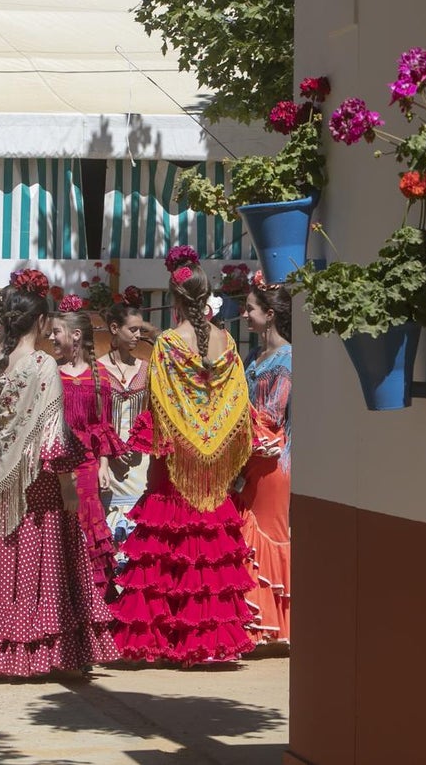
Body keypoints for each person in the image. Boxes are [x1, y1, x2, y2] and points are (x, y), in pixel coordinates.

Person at [0, 270, 118, 678]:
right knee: (45, 570)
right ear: (39, 322)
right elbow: (52, 435)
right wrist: (68, 486)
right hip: (38, 488)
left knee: (1, 563)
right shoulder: (42, 366)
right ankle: (50, 654)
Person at [109, 247, 256, 666]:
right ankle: (207, 641)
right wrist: (214, 438)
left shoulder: (169, 345)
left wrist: (181, 433)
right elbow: (237, 401)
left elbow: (158, 401)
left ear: (175, 301)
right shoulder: (228, 344)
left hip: (176, 460)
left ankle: (163, 639)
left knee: (167, 545)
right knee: (207, 543)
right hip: (213, 464)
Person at [49, 304, 125, 600]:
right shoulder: (54, 374)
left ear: (75, 335)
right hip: (58, 464)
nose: (52, 338)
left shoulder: (101, 375)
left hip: (88, 466)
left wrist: (104, 464)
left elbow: (103, 424)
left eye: (56, 332)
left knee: (88, 524)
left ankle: (93, 596)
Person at [234, 273, 293, 648]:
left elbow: (275, 408)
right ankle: (255, 623)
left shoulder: (289, 356)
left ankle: (276, 625)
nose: (244, 315)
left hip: (274, 457)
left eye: (250, 308)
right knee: (246, 533)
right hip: (250, 455)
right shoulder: (253, 357)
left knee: (270, 532)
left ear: (269, 314)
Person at [96, 301, 150, 569]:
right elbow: (94, 420)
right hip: (107, 462)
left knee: (138, 525)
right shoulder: (96, 370)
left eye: (140, 330)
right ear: (114, 329)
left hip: (141, 462)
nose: (138, 336)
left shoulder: (147, 368)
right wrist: (107, 453)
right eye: (133, 330)